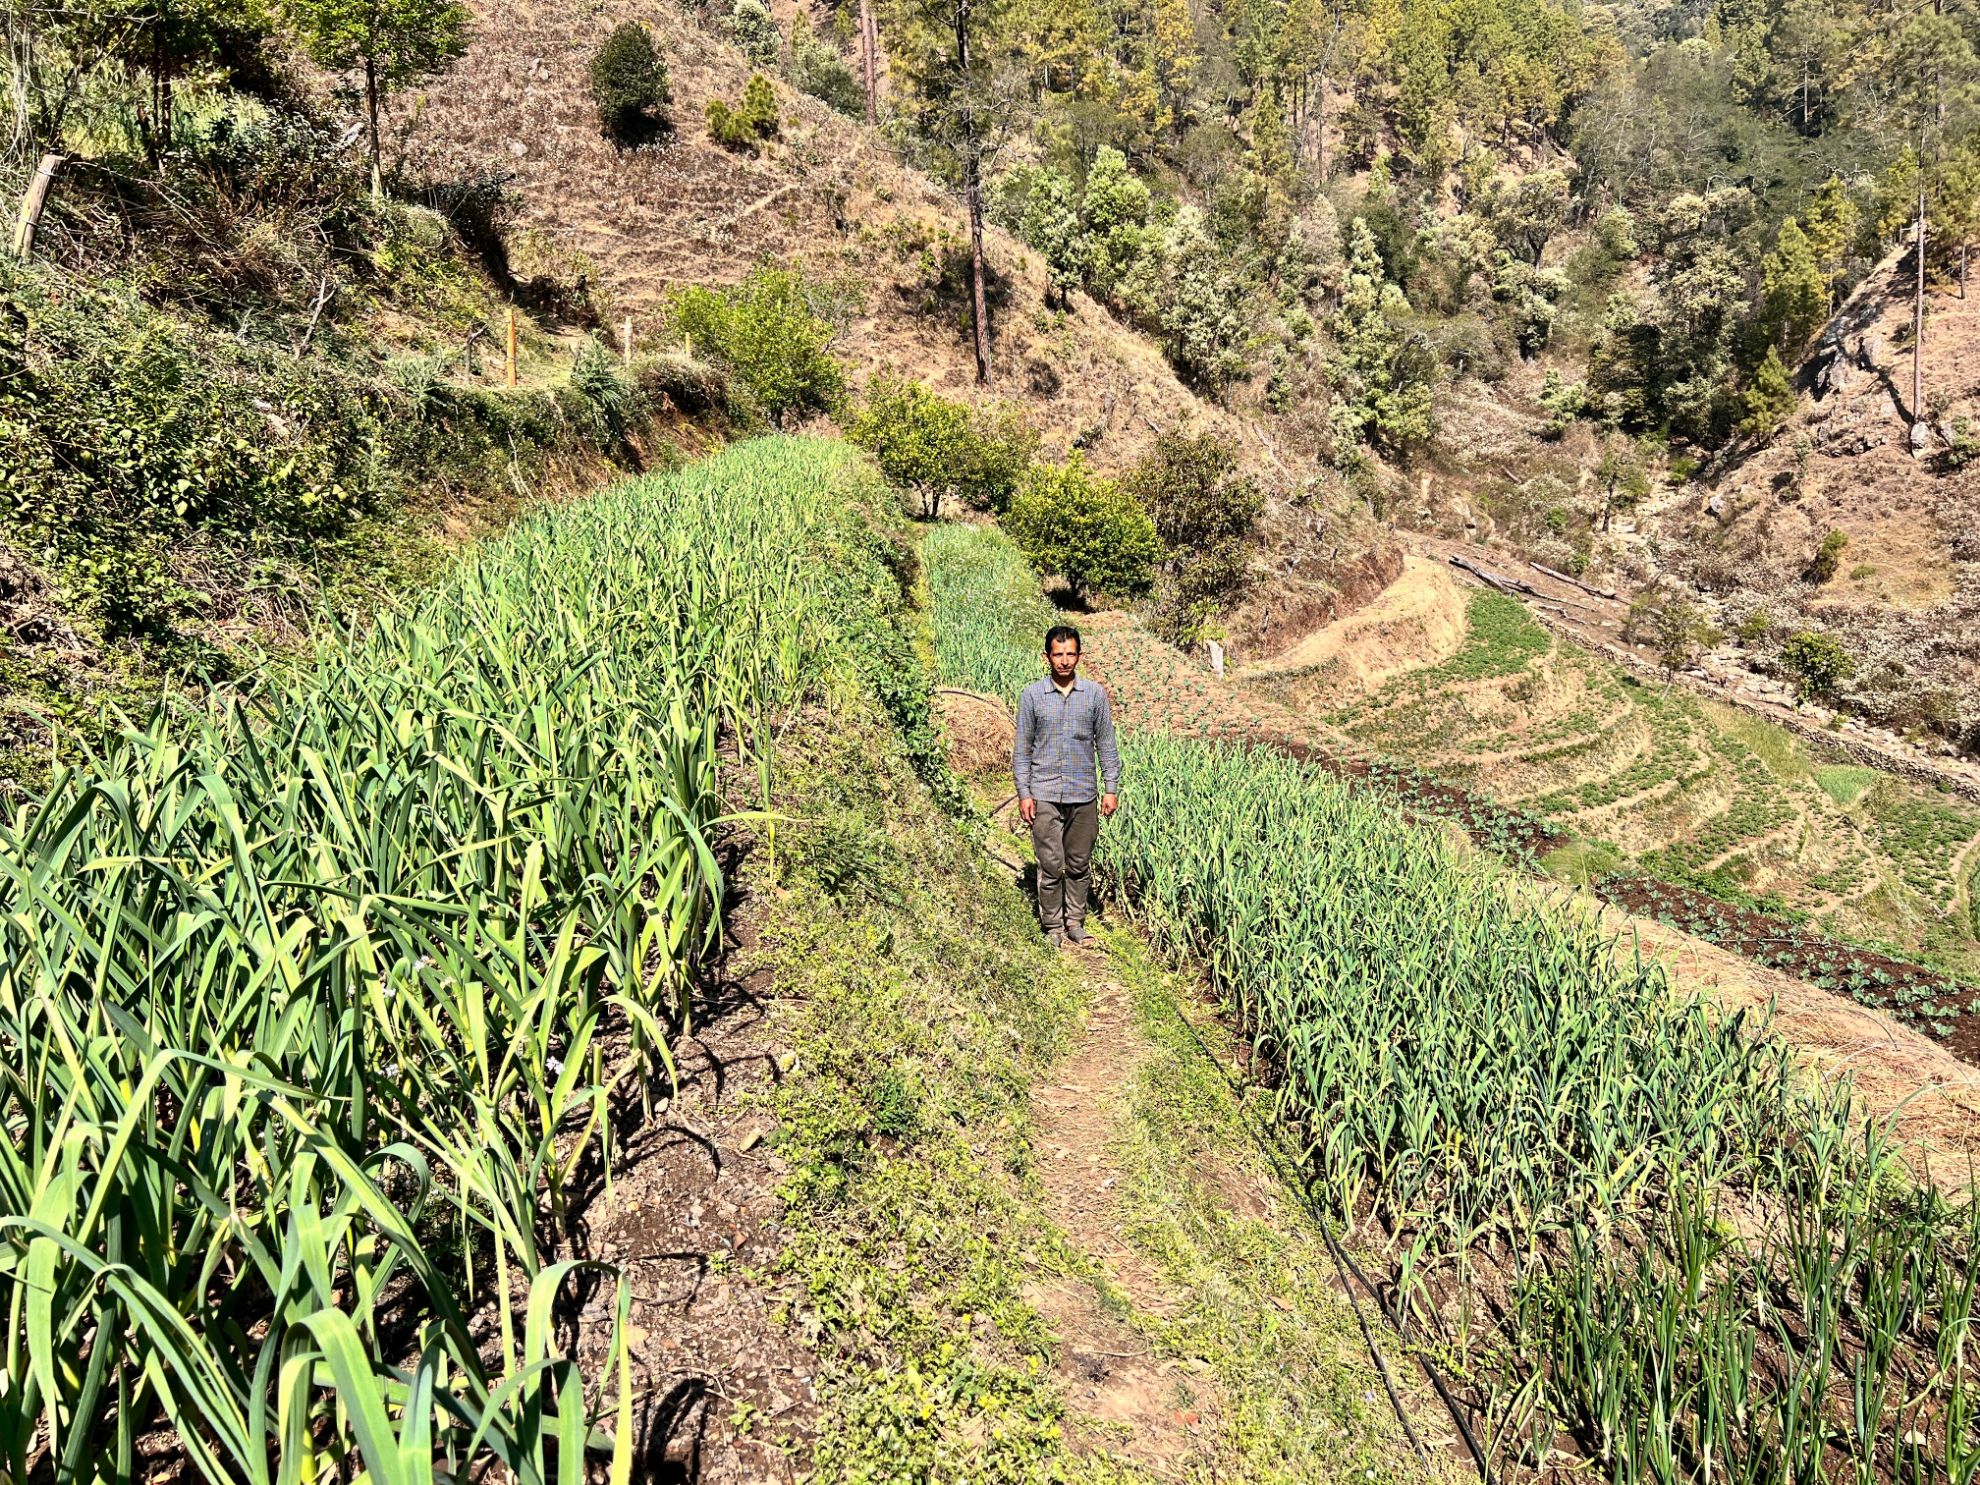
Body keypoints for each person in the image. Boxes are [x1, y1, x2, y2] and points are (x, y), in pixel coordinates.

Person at [1013, 625, 1120, 948]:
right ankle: (1052, 926)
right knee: (1050, 865)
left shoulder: (1094, 695)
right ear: (1046, 656)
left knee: (1078, 864)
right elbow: (1022, 750)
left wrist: (1111, 788)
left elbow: (1106, 744)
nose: (1064, 661)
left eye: (1070, 654)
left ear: (1079, 656)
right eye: (1058, 654)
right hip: (1044, 792)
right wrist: (1024, 793)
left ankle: (1075, 922)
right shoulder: (1032, 696)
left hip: (1083, 794)